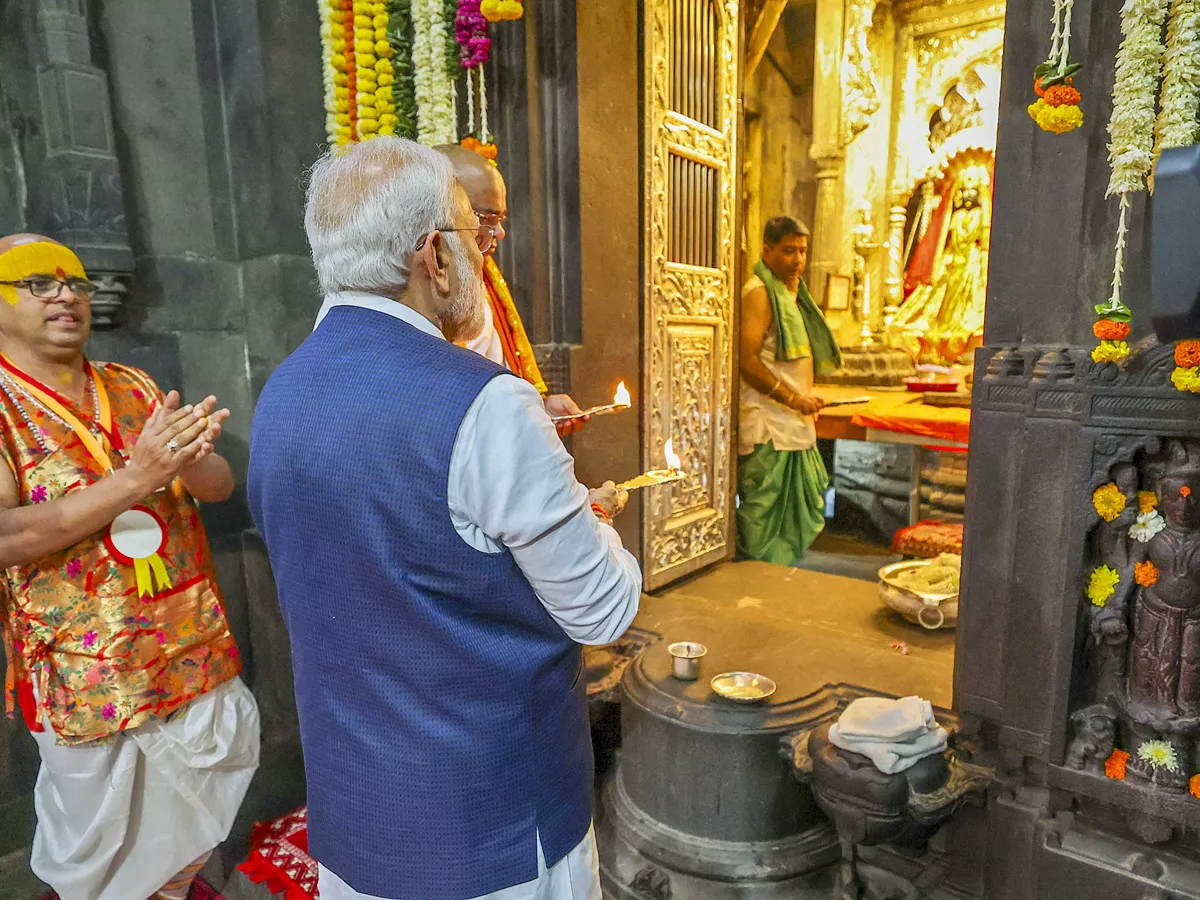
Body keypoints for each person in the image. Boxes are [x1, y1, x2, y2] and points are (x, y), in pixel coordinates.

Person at [249, 137, 642, 900]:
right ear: (432, 255)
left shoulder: (280, 395)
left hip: (358, 819)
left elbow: (390, 556)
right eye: (473, 234)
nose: (482, 257)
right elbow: (602, 609)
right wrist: (592, 523)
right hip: (489, 833)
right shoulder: (487, 403)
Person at [0, 234, 259, 900]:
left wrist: (194, 457)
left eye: (77, 282)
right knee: (102, 854)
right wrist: (139, 475)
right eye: (36, 282)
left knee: (194, 826)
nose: (66, 294)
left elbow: (219, 486)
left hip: (185, 648)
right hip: (87, 673)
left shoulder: (132, 384)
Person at [435, 144, 588, 436]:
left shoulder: (483, 273)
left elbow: (496, 368)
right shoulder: (415, 292)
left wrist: (538, 409)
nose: (501, 233)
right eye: (488, 218)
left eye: (501, 219)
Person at [737, 216, 842, 565]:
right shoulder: (759, 293)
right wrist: (792, 397)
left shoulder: (789, 293)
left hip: (792, 422)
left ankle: (768, 578)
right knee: (763, 506)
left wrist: (801, 399)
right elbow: (747, 360)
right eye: (788, 251)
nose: (798, 260)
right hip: (768, 423)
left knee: (803, 499)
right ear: (766, 250)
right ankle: (750, 581)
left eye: (802, 251)